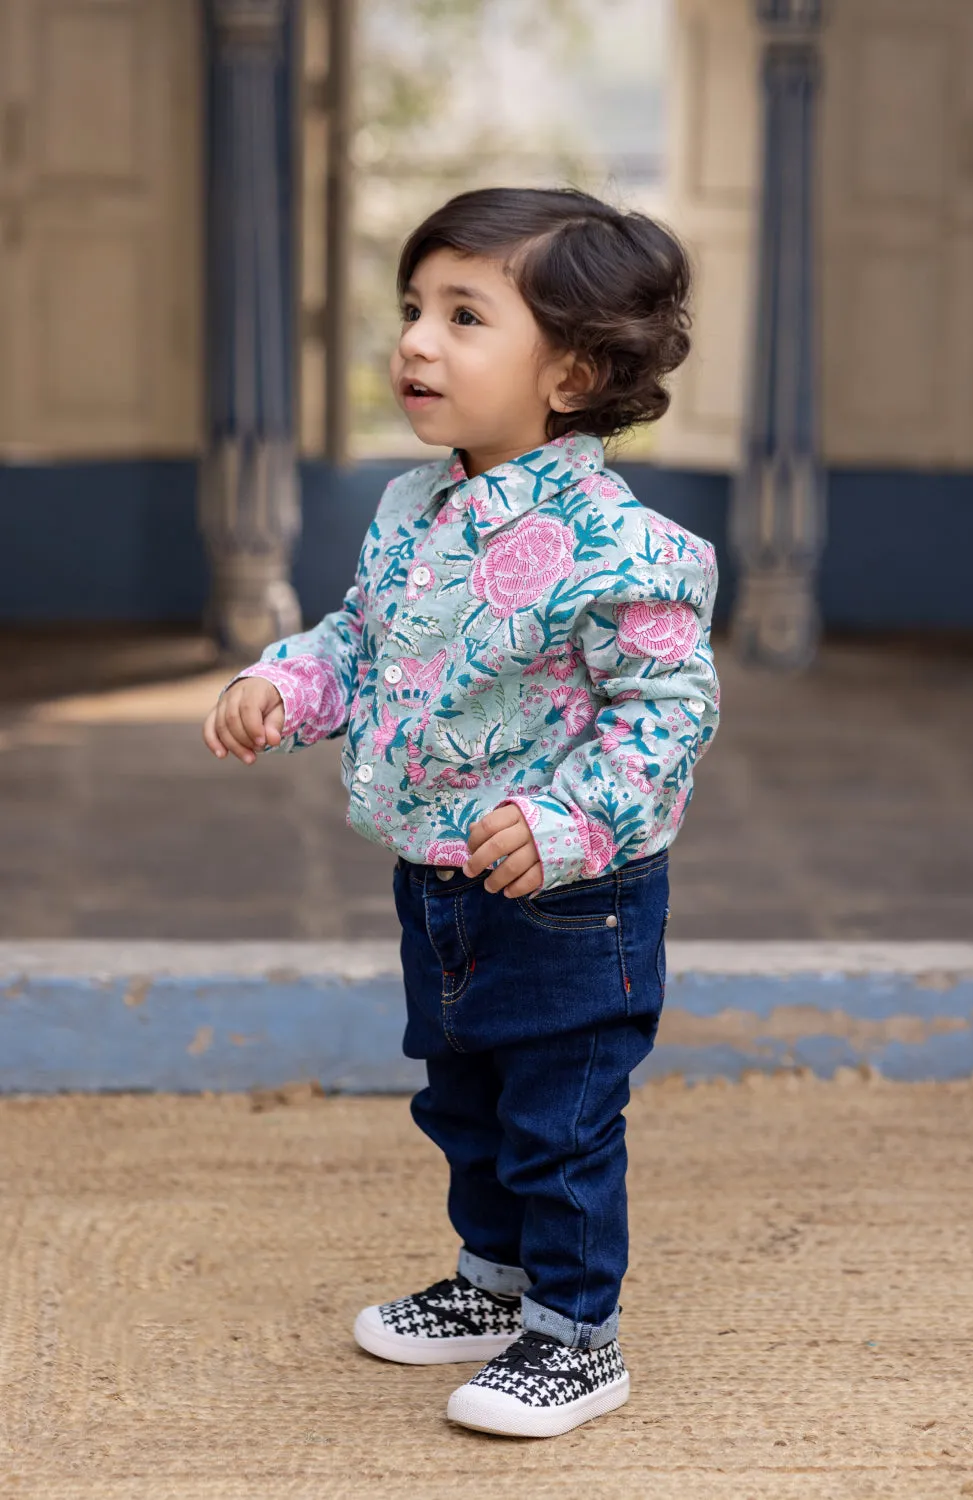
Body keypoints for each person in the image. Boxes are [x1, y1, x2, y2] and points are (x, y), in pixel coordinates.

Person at [202, 186, 720, 1439]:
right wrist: (287, 680)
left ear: (574, 371)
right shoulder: (412, 511)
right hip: (436, 879)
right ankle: (492, 1286)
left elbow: (669, 711)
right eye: (413, 310)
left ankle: (575, 1336)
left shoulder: (629, 548)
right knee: (462, 1098)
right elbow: (364, 639)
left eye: (465, 315)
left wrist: (571, 821)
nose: (416, 342)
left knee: (558, 1118)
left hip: (565, 900)